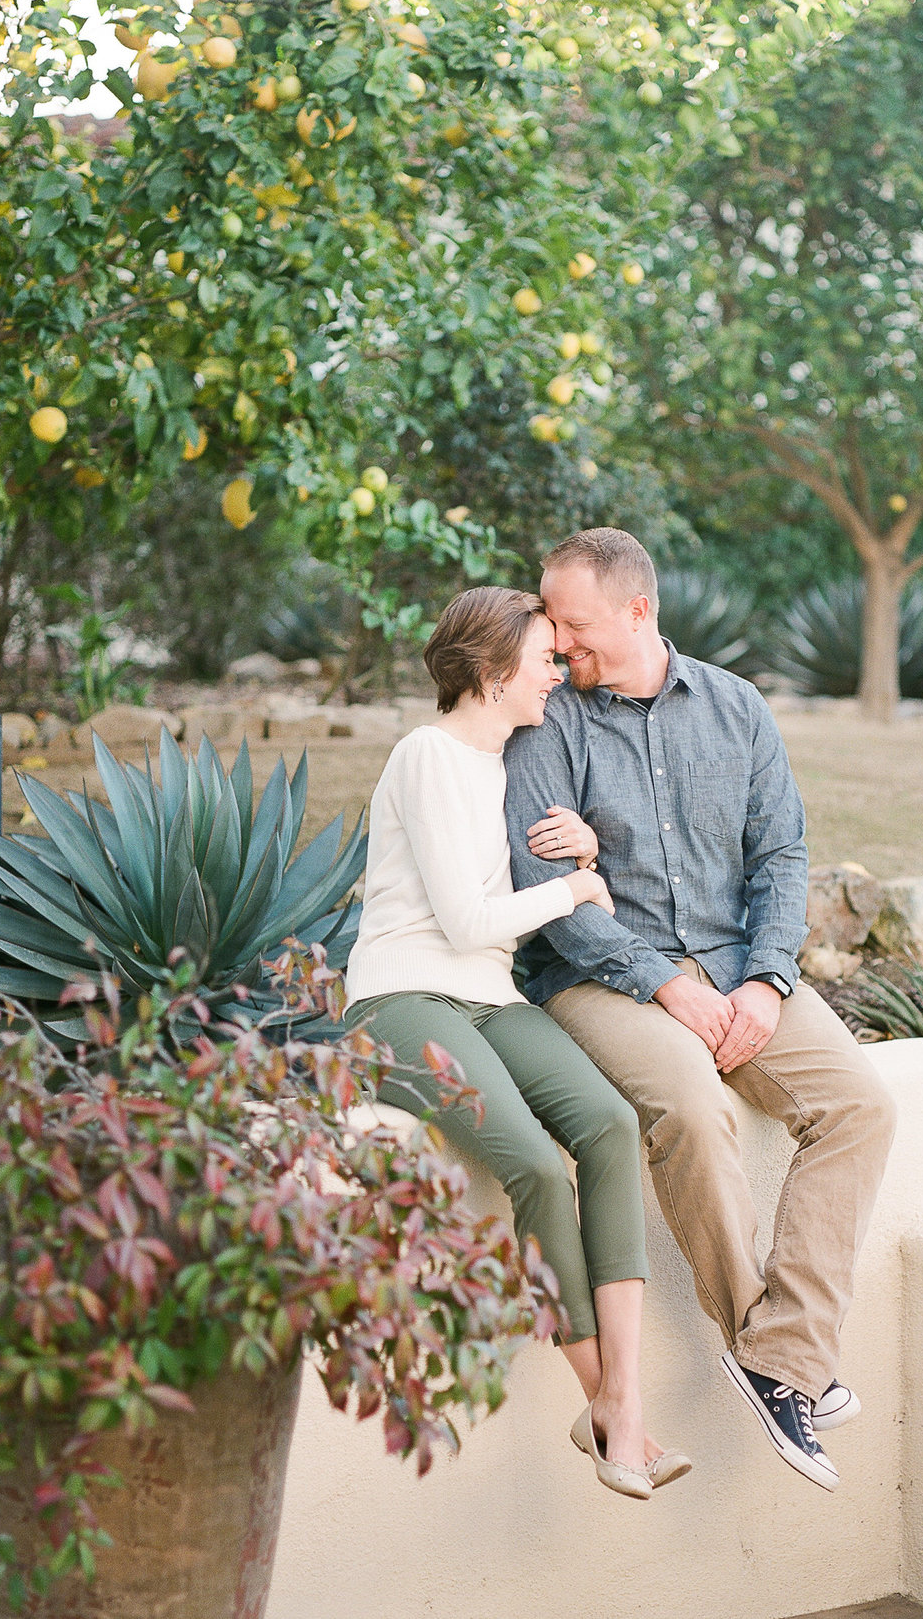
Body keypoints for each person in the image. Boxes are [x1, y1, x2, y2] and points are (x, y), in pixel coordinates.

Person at [504, 529, 897, 1492]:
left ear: (640, 610)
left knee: (861, 1104)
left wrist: (766, 980)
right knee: (690, 1102)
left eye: (575, 622)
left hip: (735, 961)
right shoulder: (551, 718)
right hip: (598, 973)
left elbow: (782, 857)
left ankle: (781, 1358)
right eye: (550, 619)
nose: (557, 639)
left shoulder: (737, 706)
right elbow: (543, 877)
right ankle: (776, 1353)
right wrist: (666, 984)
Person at [342, 584, 689, 1500]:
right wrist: (576, 890)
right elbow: (462, 921)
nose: (558, 671)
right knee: (536, 1163)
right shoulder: (428, 754)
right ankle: (615, 1412)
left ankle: (620, 1394)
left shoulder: (517, 763)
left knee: (611, 1125)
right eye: (543, 658)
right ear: (494, 674)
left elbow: (537, 891)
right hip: (403, 994)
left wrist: (582, 854)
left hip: (491, 997)